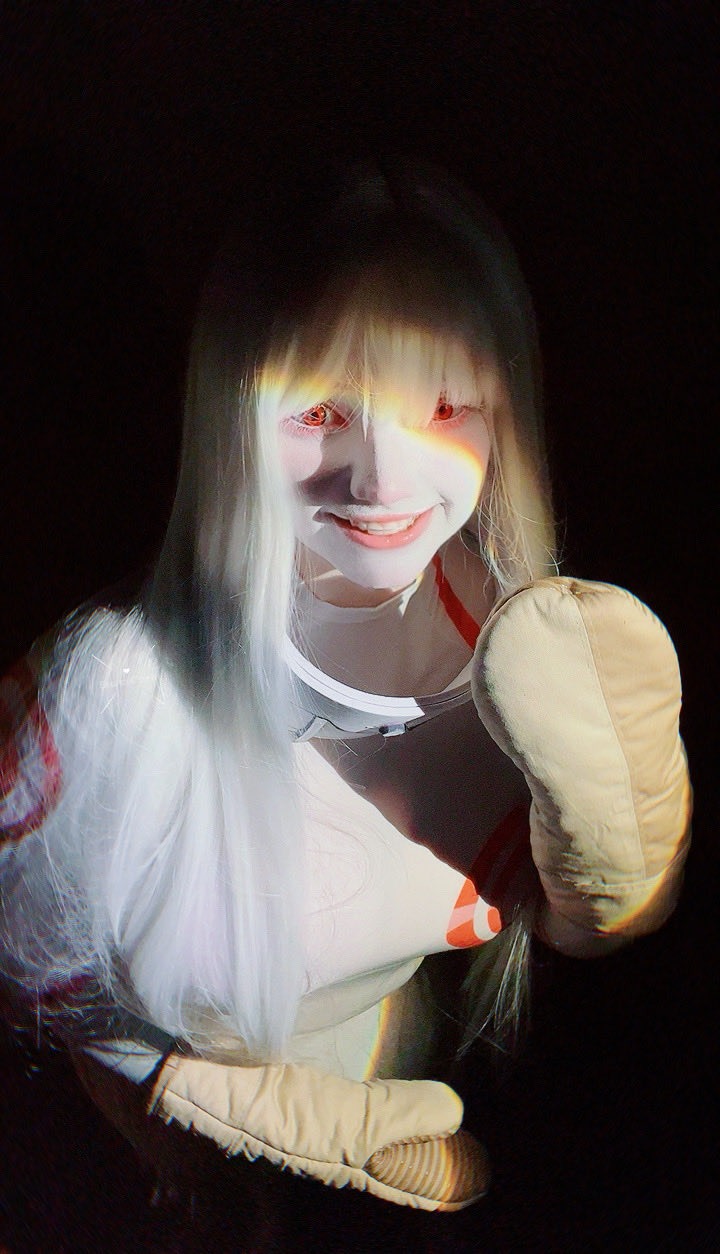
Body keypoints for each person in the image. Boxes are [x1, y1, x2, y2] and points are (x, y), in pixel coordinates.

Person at [0, 160, 691, 1211]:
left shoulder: (543, 673)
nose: (382, 480)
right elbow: (34, 957)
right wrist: (226, 1101)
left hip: (388, 1051)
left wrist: (621, 834)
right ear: (230, 411)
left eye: (444, 405)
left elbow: (585, 917)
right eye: (323, 410)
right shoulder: (106, 705)